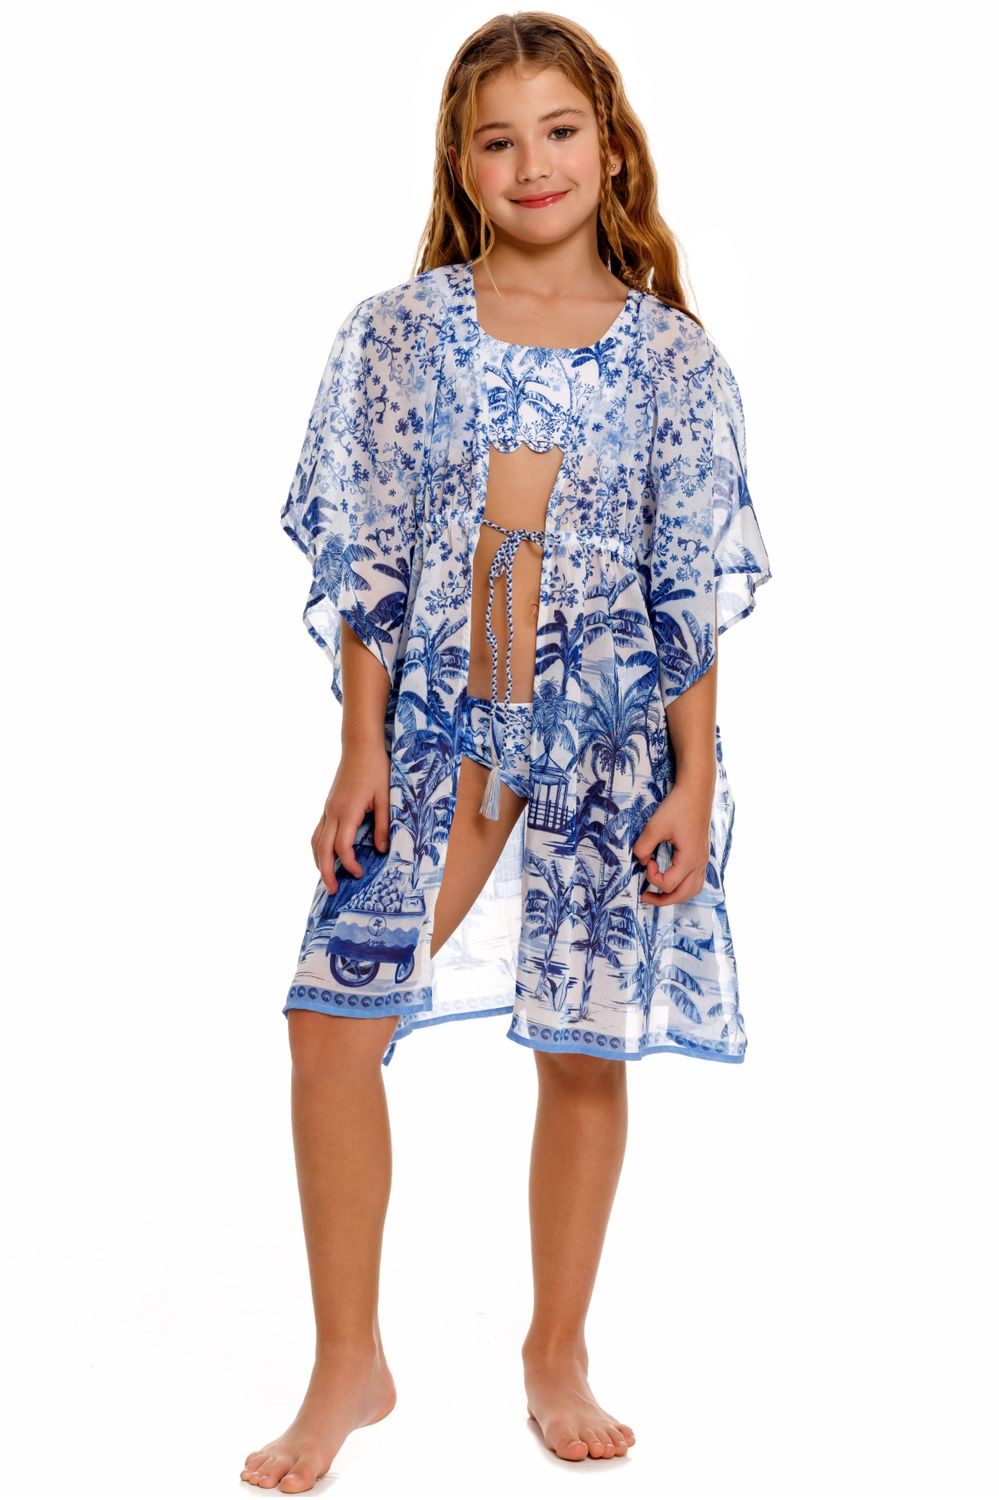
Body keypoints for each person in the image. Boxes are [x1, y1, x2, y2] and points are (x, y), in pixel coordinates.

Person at [243, 11, 772, 1491]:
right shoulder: (399, 333)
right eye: (498, 138)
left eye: (559, 130)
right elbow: (370, 556)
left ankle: (557, 1349)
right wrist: (358, 745)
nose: (532, 162)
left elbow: (686, 593)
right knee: (329, 1024)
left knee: (584, 1048)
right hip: (438, 737)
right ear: (460, 163)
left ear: (609, 148)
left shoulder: (674, 361)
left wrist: (695, 779)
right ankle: (349, 1364)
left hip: (605, 741)